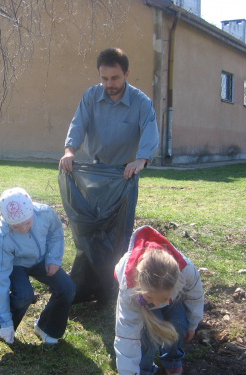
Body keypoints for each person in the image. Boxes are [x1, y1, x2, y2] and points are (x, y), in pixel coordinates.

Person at [59, 47, 160, 253]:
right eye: (104, 78)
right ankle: (92, 265)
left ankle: (117, 272)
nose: (108, 84)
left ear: (127, 74)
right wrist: (70, 151)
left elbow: (150, 130)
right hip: (95, 173)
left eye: (114, 78)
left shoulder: (141, 102)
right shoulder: (91, 96)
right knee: (92, 225)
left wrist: (141, 160)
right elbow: (78, 124)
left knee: (120, 229)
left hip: (125, 175)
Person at [0, 187, 76, 344]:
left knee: (67, 287)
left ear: (32, 212)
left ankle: (46, 327)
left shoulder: (45, 213)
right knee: (24, 295)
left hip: (42, 259)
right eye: (16, 227)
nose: (23, 229)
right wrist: (4, 321)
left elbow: (55, 233)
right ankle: (4, 323)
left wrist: (53, 259)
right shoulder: (2, 238)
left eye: (28, 223)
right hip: (16, 265)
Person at [114, 226, 204, 375]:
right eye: (151, 297)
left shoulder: (186, 270)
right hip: (141, 302)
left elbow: (195, 296)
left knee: (179, 325)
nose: (157, 303)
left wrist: (193, 324)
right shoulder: (129, 288)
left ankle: (172, 359)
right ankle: (144, 369)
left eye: (162, 298)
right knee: (149, 335)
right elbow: (126, 335)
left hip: (172, 299)